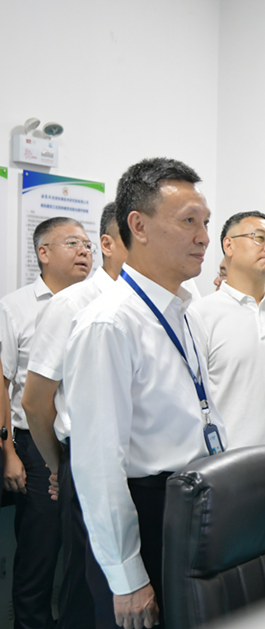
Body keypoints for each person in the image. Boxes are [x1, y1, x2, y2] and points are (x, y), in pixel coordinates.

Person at [64, 157, 228, 629]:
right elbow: (98, 464)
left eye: (206, 223)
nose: (204, 237)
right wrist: (127, 577)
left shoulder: (182, 310)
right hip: (147, 513)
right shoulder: (109, 323)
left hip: (191, 508)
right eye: (189, 222)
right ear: (138, 226)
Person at [22, 203, 127, 628]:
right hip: (83, 460)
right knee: (85, 585)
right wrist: (56, 465)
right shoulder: (71, 304)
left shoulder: (158, 303)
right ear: (111, 243)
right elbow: (34, 401)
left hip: (137, 466)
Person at [1, 215, 93, 629]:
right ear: (43, 253)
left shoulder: (98, 302)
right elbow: (4, 383)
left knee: (83, 555)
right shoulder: (16, 307)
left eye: (88, 244)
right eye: (73, 243)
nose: (84, 251)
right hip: (33, 446)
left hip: (81, 444)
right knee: (39, 556)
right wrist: (8, 452)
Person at [188, 212, 265, 454]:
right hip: (225, 464)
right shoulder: (199, 314)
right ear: (228, 245)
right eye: (259, 238)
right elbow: (189, 402)